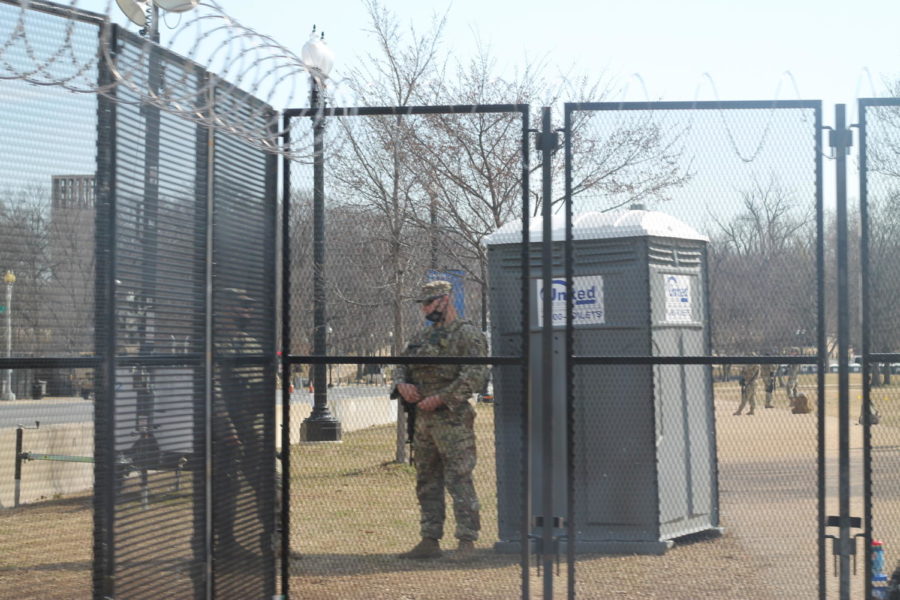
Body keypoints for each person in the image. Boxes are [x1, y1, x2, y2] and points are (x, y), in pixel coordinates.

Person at [392, 280, 489, 561]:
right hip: (423, 422)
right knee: (426, 480)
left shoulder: (468, 335)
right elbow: (401, 365)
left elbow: (475, 376)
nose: (424, 309)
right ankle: (430, 539)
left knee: (459, 479)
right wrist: (402, 385)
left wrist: (442, 398)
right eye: (423, 304)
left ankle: (466, 542)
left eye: (429, 302)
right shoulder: (422, 337)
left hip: (453, 421)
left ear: (446, 300)